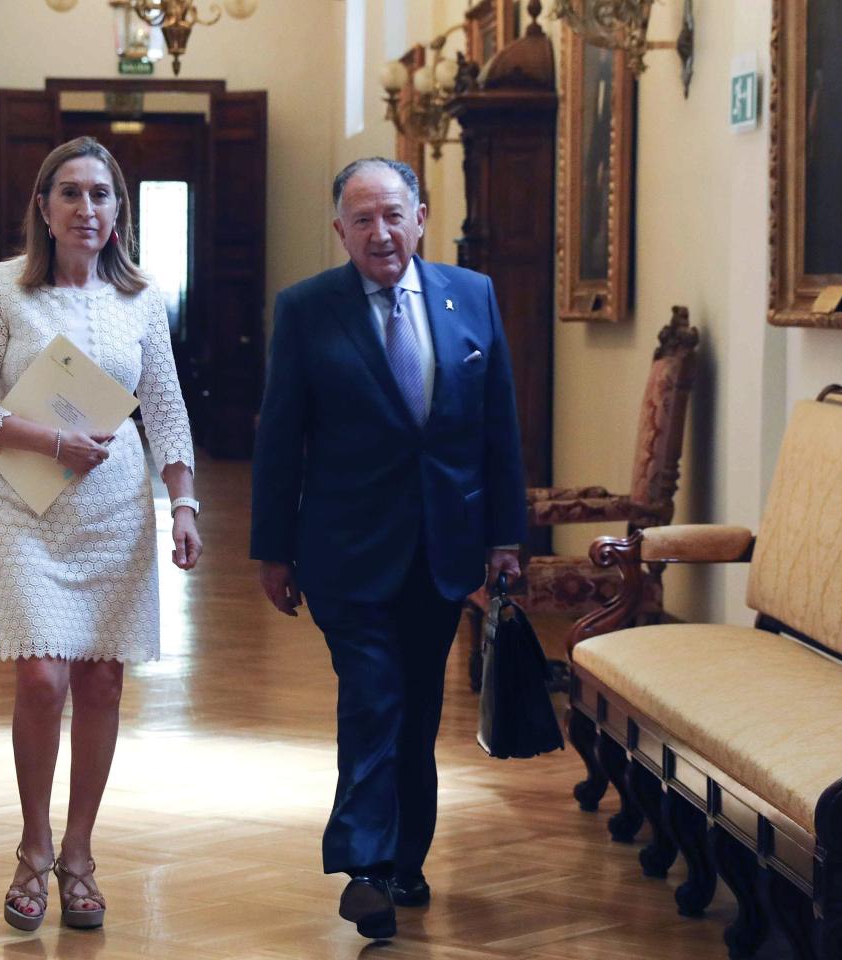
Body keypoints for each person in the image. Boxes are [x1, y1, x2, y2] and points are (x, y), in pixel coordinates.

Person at [250, 158, 526, 940]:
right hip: (344, 547)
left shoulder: (471, 296)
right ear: (340, 230)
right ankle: (365, 866)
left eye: (393, 215)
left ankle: (408, 855)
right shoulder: (306, 309)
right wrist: (274, 550)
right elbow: (281, 439)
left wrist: (506, 536)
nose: (381, 232)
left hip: (445, 545)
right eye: (362, 219)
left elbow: (497, 426)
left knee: (418, 704)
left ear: (422, 217)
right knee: (373, 694)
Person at [0, 137, 202, 933]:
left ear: (118, 213)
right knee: (40, 681)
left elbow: (163, 405)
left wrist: (184, 503)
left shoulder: (141, 298)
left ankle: (81, 856)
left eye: (101, 195)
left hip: (116, 510)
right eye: (71, 194)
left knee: (102, 684)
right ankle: (33, 846)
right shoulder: (2, 289)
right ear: (45, 210)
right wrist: (49, 441)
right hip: (25, 503)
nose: (87, 208)